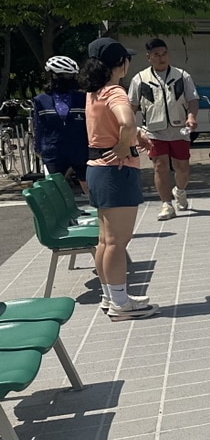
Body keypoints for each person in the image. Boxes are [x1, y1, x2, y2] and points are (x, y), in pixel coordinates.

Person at [81, 38, 158, 321]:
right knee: (117, 241)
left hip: (97, 168)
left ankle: (110, 296)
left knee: (105, 240)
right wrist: (127, 143)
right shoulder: (115, 91)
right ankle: (121, 304)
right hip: (117, 170)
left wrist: (135, 137)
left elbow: (112, 126)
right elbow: (125, 120)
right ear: (119, 63)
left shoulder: (93, 92)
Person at [128, 38, 200, 221]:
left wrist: (191, 116)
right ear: (148, 57)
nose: (162, 58)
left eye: (164, 54)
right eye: (157, 55)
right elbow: (132, 106)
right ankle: (166, 204)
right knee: (159, 166)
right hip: (154, 130)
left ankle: (180, 190)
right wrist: (133, 129)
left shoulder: (182, 76)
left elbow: (192, 99)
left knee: (182, 168)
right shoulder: (140, 79)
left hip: (179, 129)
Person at [32, 55, 89, 197]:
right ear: (54, 75)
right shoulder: (41, 100)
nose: (71, 78)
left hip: (79, 149)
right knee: (55, 192)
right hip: (54, 150)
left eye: (72, 75)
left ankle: (103, 217)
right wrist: (38, 148)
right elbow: (38, 126)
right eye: (67, 75)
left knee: (90, 188)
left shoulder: (82, 98)